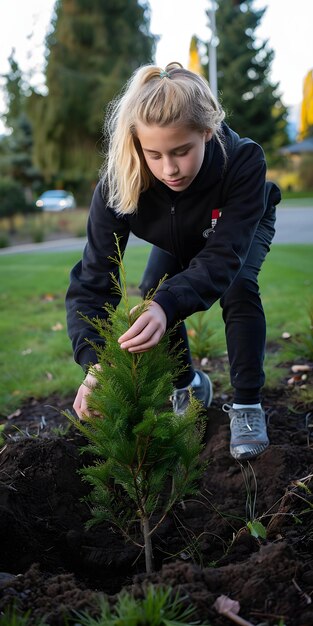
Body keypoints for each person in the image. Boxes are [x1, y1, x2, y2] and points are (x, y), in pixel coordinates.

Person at [66, 62, 281, 461]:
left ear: (207, 132)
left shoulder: (243, 161)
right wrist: (94, 363)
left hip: (233, 230)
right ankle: (189, 385)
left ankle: (248, 405)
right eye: (154, 154)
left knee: (237, 288)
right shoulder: (121, 180)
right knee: (154, 293)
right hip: (176, 233)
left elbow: (223, 256)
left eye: (182, 151)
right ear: (137, 145)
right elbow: (92, 281)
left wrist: (168, 304)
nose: (169, 169)